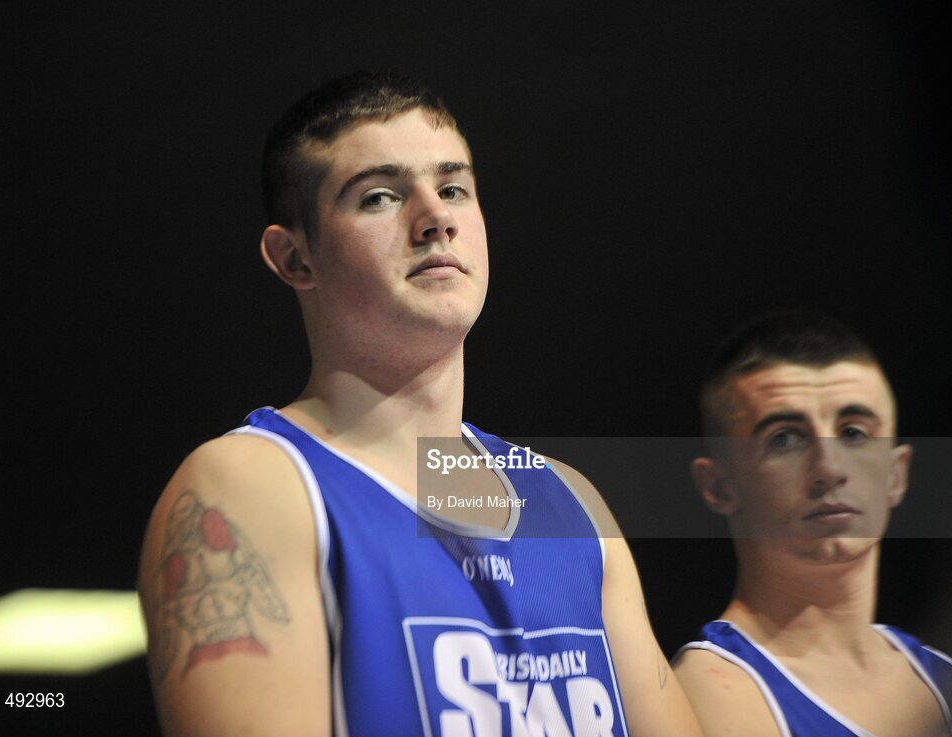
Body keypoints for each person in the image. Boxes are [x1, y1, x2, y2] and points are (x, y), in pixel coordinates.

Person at [138, 71, 701, 737]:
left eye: (454, 187)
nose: (436, 217)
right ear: (294, 258)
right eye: (380, 196)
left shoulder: (571, 503)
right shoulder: (247, 488)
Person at [672, 311, 952, 737]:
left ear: (896, 474)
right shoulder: (711, 691)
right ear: (719, 486)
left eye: (853, 433)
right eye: (784, 437)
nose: (829, 468)